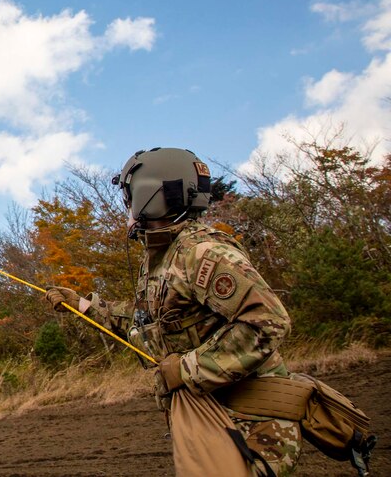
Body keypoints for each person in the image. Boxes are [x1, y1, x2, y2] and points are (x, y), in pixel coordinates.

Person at [45, 147, 299, 476]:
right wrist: (82, 305)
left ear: (149, 195)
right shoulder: (165, 256)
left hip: (253, 425)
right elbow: (149, 322)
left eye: (130, 196)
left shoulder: (201, 253)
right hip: (215, 418)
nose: (127, 207)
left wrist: (187, 369)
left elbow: (268, 321)